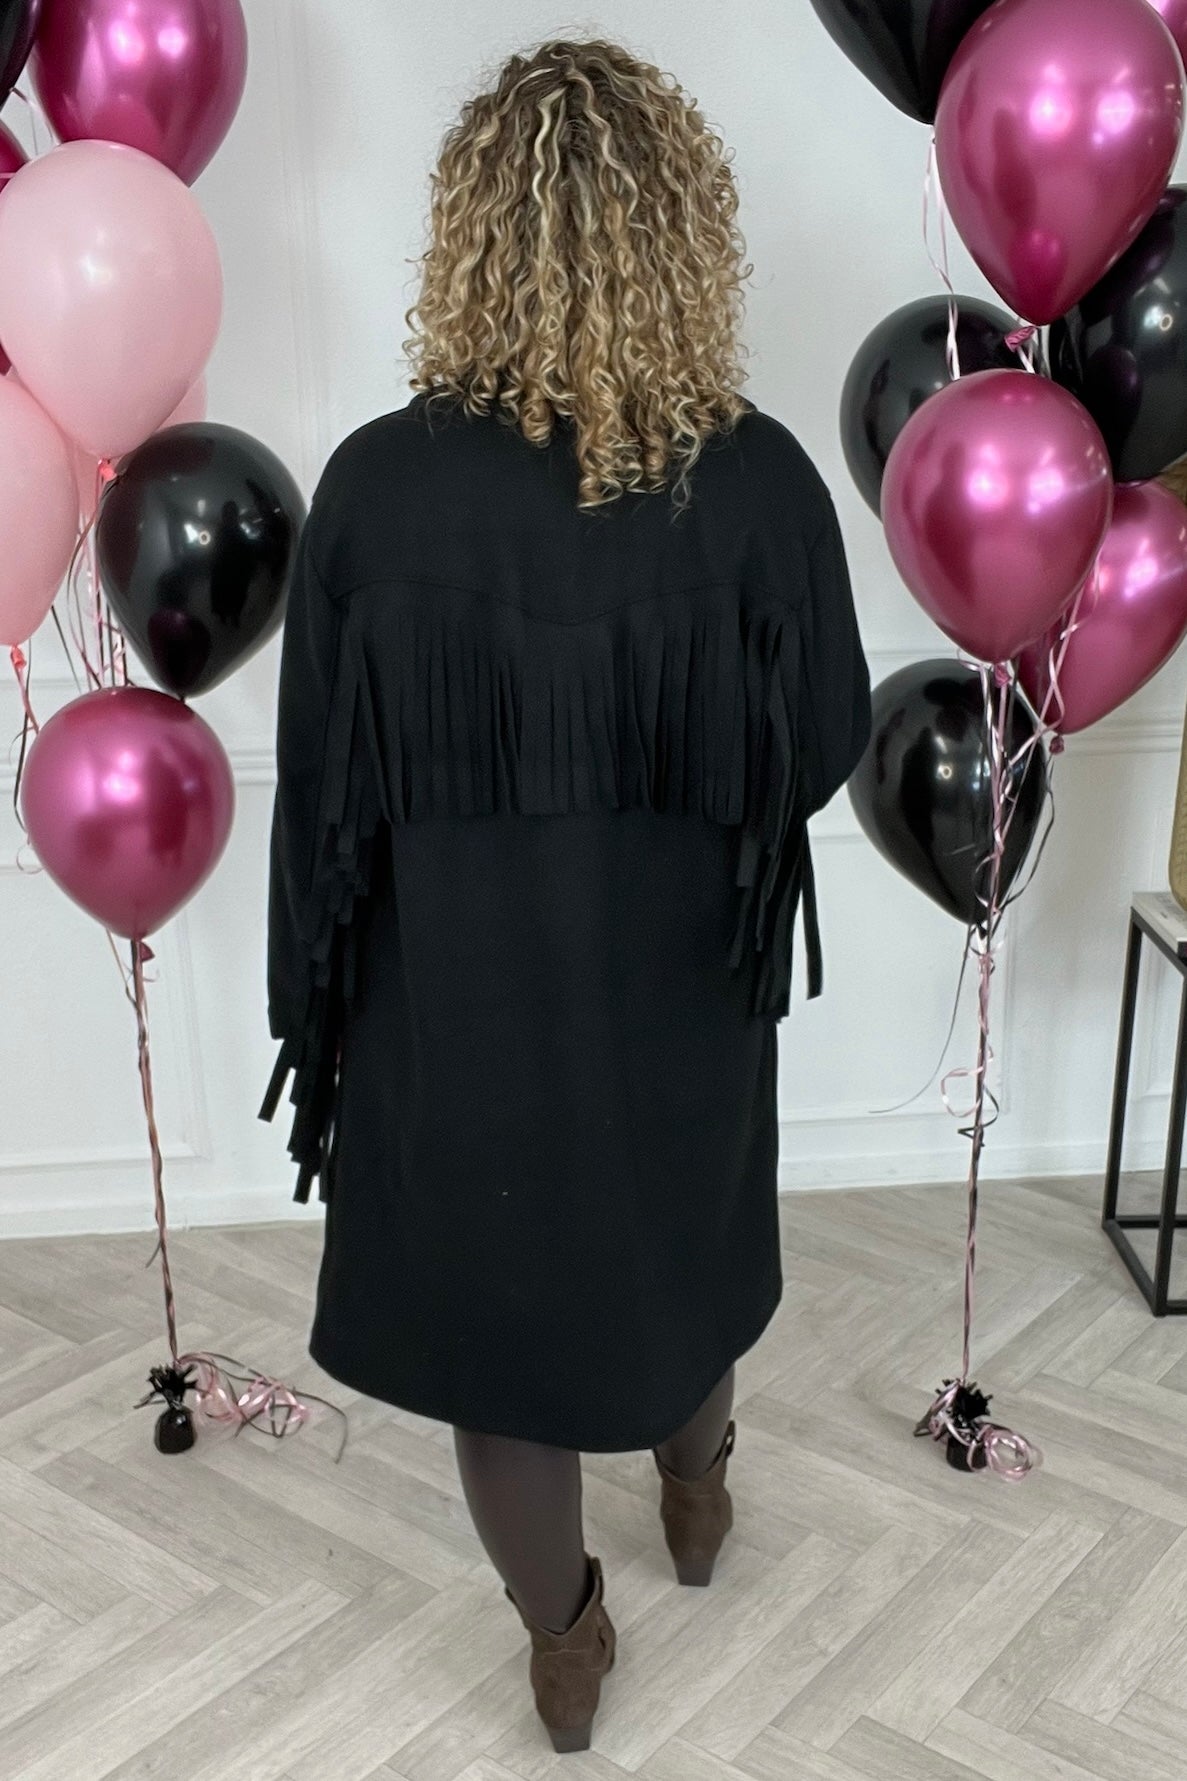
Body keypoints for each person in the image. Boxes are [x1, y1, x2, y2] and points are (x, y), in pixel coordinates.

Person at [261, 36, 871, 1754]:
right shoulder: (756, 483)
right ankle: (698, 1497)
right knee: (681, 1264)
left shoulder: (375, 492)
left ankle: (562, 1642)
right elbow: (826, 740)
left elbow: (321, 794)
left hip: (455, 1014)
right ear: (684, 235)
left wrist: (322, 1001)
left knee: (501, 1354)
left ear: (470, 238)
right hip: (679, 1000)